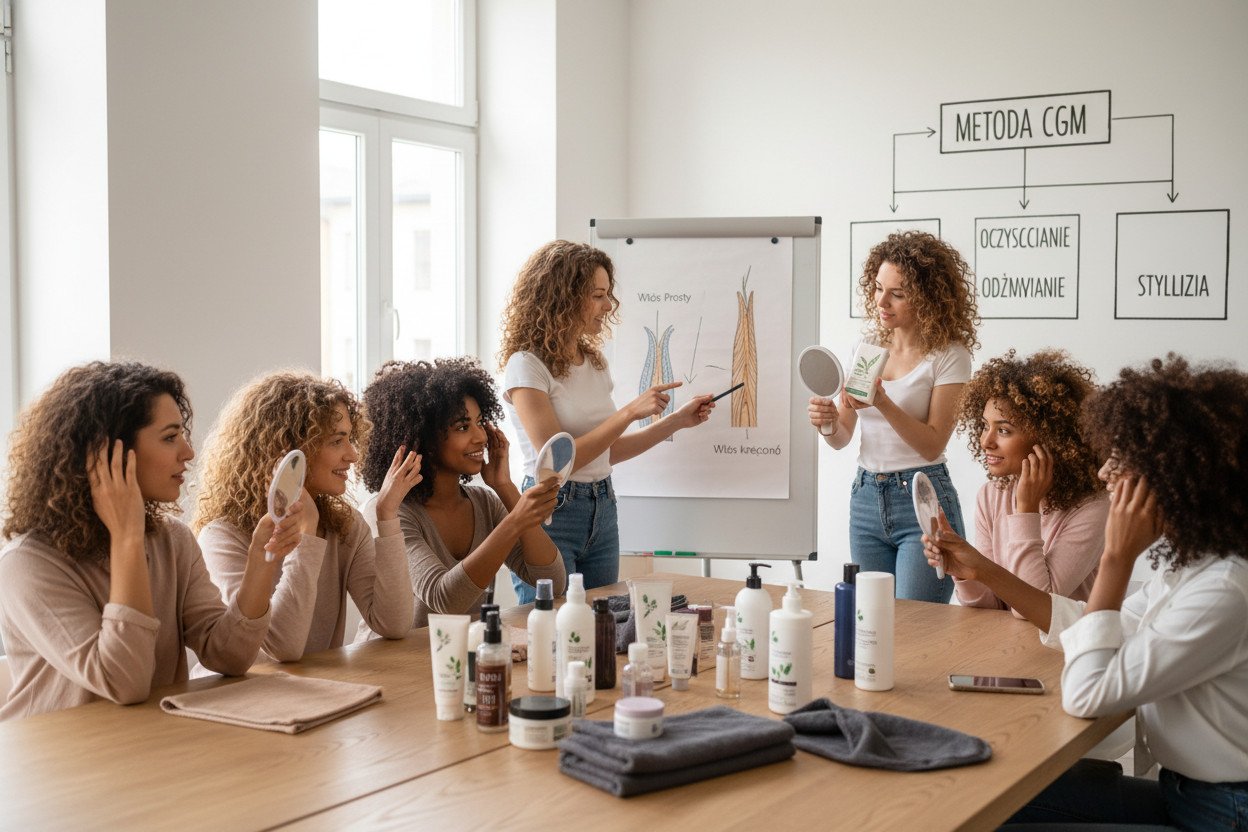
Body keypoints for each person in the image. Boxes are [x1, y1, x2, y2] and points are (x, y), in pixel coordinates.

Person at [926, 355, 1248, 829]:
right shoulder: (1192, 568)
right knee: (991, 793)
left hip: (1224, 813)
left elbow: (1087, 693)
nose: (1104, 473)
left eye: (1123, 461)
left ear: (1175, 476)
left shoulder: (1223, 590)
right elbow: (1085, 620)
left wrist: (1116, 561)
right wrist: (981, 571)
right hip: (1186, 794)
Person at [0, 362, 291, 720]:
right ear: (110, 453)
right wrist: (127, 539)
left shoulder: (173, 539)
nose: (188, 453)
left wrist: (263, 562)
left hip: (152, 746)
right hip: (59, 766)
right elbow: (123, 681)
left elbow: (228, 655)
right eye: (170, 437)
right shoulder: (26, 565)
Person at [499, 240, 715, 602]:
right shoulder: (526, 366)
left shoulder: (593, 361)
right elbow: (559, 461)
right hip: (551, 512)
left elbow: (607, 452)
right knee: (550, 632)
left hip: (602, 507)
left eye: (608, 295)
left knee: (604, 628)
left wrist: (677, 420)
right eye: (598, 295)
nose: (608, 306)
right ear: (565, 297)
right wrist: (629, 412)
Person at [193, 372, 418, 661]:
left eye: (350, 439)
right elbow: (282, 647)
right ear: (290, 449)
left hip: (314, 696)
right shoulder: (222, 537)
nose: (352, 455)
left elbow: (394, 624)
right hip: (236, 700)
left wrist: (386, 516)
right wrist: (306, 533)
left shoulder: (346, 526)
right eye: (337, 441)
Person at [808, 230, 978, 602]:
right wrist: (826, 423)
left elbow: (932, 443)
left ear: (928, 298)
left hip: (922, 496)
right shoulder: (866, 349)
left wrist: (882, 402)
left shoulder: (949, 355)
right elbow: (842, 437)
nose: (882, 301)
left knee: (917, 630)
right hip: (867, 496)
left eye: (897, 293)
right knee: (873, 624)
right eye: (878, 288)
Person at [359, 358, 567, 627]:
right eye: (462, 427)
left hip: (459, 659)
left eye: (480, 422)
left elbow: (552, 582)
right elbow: (445, 599)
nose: (481, 437)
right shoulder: (389, 510)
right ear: (423, 438)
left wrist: (505, 488)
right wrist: (516, 520)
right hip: (393, 665)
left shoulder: (484, 502)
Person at [947, 349, 1109, 614]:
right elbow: (993, 605)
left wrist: (1027, 509)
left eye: (1003, 430)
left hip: (1066, 650)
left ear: (1049, 438)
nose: (986, 441)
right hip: (1008, 647)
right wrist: (966, 573)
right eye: (985, 426)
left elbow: (1033, 609)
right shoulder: (991, 496)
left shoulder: (1092, 509)